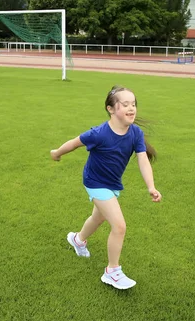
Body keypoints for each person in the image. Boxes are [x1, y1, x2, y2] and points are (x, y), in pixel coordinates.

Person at [50, 85, 162, 290]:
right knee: (119, 226)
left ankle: (78, 239)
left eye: (134, 104)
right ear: (111, 109)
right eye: (125, 104)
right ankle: (112, 272)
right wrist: (57, 152)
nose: (132, 108)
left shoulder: (135, 133)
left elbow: (143, 161)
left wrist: (151, 186)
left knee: (97, 217)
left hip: (112, 184)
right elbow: (74, 143)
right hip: (95, 182)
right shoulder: (99, 133)